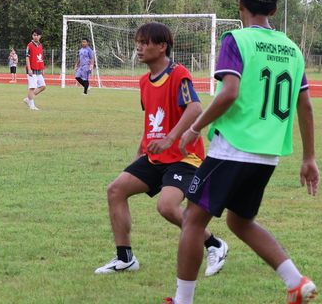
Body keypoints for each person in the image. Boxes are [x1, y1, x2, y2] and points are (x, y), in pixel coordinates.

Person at [148, 0, 319, 304]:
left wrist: (195, 128)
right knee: (240, 222)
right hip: (268, 153)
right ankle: (295, 281)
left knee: (193, 220)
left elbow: (229, 92)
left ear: (240, 3)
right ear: (274, 6)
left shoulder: (237, 40)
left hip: (233, 148)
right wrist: (309, 157)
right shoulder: (291, 48)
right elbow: (306, 106)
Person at [96, 22, 229, 276]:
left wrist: (170, 139)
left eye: (145, 43)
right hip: (155, 156)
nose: (139, 47)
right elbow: (150, 122)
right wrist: (140, 153)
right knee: (115, 190)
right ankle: (125, 258)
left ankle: (214, 244)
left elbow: (195, 109)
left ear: (162, 46)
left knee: (166, 207)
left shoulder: (178, 74)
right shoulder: (144, 81)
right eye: (138, 42)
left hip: (183, 157)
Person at [23, 28, 46, 110]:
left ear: (40, 36)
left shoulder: (40, 46)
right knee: (32, 87)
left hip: (39, 69)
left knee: (42, 86)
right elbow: (27, 57)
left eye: (37, 35)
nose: (35, 37)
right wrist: (29, 69)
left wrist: (42, 69)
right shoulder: (30, 45)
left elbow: (41, 58)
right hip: (32, 69)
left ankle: (28, 99)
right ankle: (32, 106)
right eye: (34, 35)